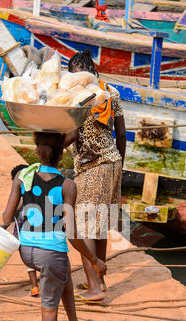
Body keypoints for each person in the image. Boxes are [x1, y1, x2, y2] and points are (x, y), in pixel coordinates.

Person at [3, 132, 106, 321]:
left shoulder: (22, 177)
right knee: (48, 309)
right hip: (50, 253)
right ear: (62, 155)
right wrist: (94, 260)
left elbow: (7, 218)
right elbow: (71, 233)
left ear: (37, 150)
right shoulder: (67, 185)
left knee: (62, 269)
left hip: (26, 251)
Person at [64, 50, 126, 303]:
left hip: (92, 168)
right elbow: (121, 134)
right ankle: (99, 279)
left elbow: (71, 136)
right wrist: (120, 164)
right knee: (100, 225)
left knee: (85, 227)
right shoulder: (110, 91)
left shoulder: (80, 99)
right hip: (114, 163)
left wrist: (49, 145)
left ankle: (95, 288)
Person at [11, 164, 40, 297]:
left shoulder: (22, 193)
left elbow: (12, 213)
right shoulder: (39, 188)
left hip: (25, 231)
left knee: (28, 256)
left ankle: (34, 286)